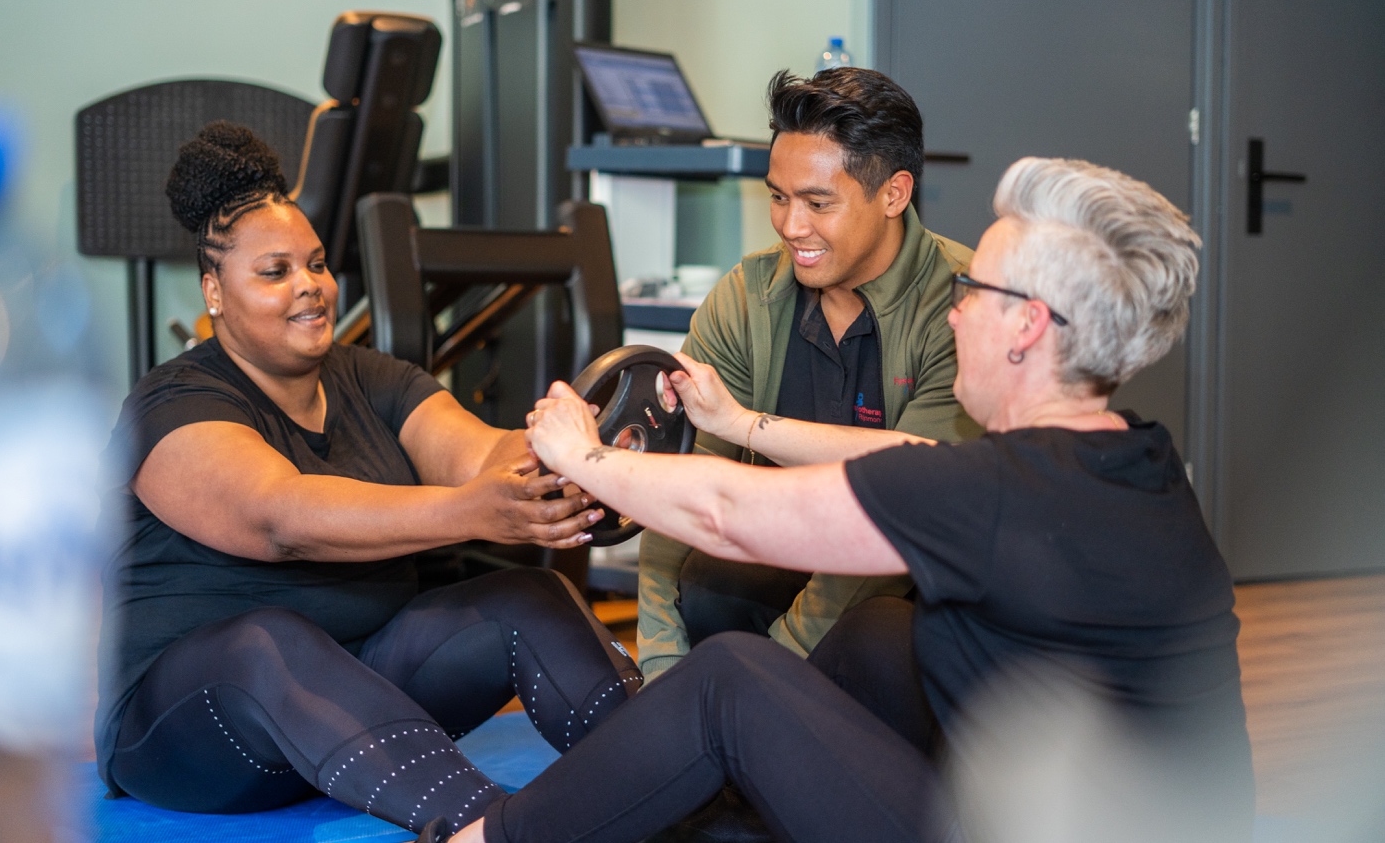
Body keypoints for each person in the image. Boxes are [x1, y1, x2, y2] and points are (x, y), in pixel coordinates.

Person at [455, 157, 1255, 843]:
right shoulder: (1128, 457)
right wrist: (735, 422)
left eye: (972, 289)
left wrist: (584, 456)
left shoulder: (988, 493)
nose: (953, 308)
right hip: (1112, 810)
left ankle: (491, 837)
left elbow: (726, 516)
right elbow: (908, 459)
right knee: (881, 632)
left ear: (1026, 328)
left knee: (733, 674)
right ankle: (738, 802)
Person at [93, 122, 643, 839]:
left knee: (527, 596)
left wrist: (578, 449)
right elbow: (278, 517)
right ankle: (493, 831)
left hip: (357, 703)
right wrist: (471, 512)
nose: (310, 288)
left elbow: (477, 456)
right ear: (215, 291)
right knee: (267, 642)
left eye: (316, 264)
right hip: (196, 735)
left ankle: (682, 790)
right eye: (275, 271)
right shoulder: (172, 403)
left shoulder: (372, 377)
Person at [638, 67, 980, 683]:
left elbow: (904, 509)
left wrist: (766, 679)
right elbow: (678, 485)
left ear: (894, 194)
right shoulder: (745, 298)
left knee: (888, 636)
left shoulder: (967, 309)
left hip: (911, 580)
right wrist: (662, 667)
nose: (792, 227)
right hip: (790, 556)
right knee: (711, 583)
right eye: (778, 196)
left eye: (818, 202)